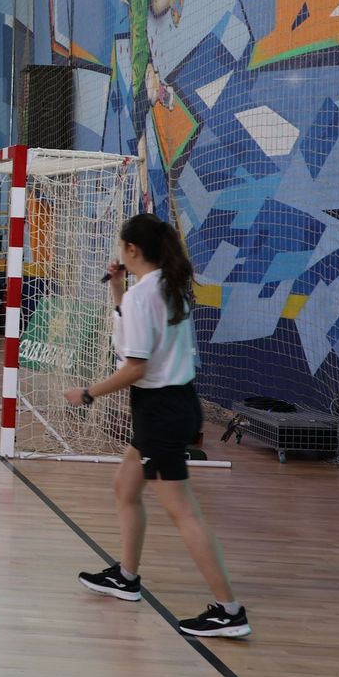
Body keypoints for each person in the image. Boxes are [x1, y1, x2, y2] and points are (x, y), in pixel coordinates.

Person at [65, 213, 250, 639]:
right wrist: (117, 289)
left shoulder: (148, 293)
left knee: (183, 511)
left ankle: (229, 611)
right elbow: (138, 336)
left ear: (131, 249)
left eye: (120, 245)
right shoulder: (166, 286)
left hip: (161, 410)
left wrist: (89, 393)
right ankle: (127, 578)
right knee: (125, 488)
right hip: (172, 405)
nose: (118, 252)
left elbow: (135, 365)